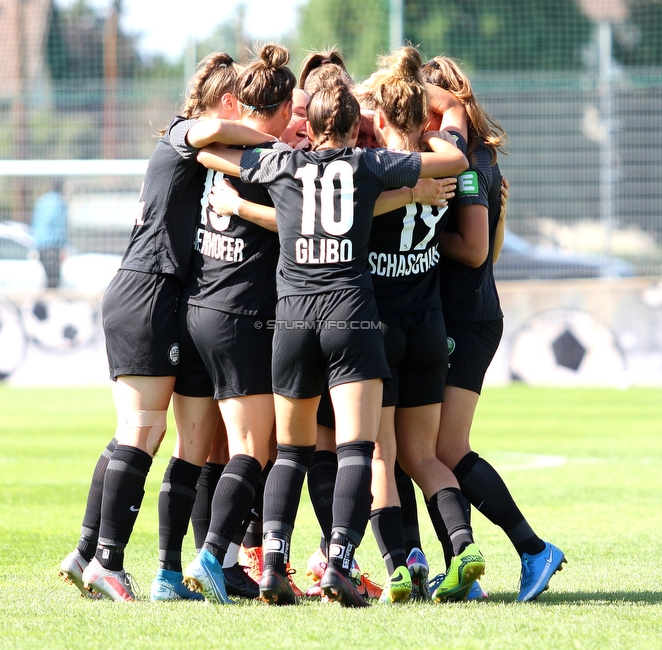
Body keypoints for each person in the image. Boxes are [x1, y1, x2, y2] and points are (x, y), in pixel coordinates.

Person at [197, 79, 468, 607]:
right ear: (352, 127)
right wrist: (439, 141)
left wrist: (228, 168)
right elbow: (454, 164)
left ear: (313, 125)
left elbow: (214, 154)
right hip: (352, 316)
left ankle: (272, 563)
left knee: (291, 452)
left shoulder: (281, 163)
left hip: (293, 319)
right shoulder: (368, 166)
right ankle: (338, 563)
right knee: (356, 449)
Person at [57, 51, 276, 602]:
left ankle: (88, 550)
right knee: (143, 431)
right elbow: (206, 128)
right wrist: (261, 135)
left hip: (157, 294)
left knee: (144, 432)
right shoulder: (185, 133)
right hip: (148, 291)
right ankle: (107, 560)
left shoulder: (203, 152)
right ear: (229, 103)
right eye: (242, 109)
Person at [423, 55, 566, 603]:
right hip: (468, 312)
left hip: (466, 319)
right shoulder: (475, 155)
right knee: (428, 450)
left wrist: (421, 236)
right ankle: (463, 570)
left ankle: (532, 549)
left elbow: (475, 250)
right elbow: (493, 252)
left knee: (442, 450)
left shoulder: (462, 159)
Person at [359, 45, 486, 604]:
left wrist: (385, 82)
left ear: (381, 117)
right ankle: (463, 548)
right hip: (430, 327)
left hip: (381, 328)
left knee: (382, 456)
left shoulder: (374, 169)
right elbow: (455, 127)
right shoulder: (443, 164)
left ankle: (399, 567)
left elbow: (350, 105)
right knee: (425, 454)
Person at [172, 43, 296, 605]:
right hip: (242, 315)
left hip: (199, 309)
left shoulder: (220, 143)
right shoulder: (268, 161)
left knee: (210, 450)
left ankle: (199, 565)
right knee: (255, 447)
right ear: (281, 107)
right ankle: (212, 557)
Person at [31, 180, 68, 289]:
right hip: (53, 246)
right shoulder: (59, 203)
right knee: (54, 281)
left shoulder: (42, 201)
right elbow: (61, 227)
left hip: (41, 246)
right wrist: (63, 247)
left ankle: (44, 303)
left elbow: (35, 223)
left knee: (49, 279)